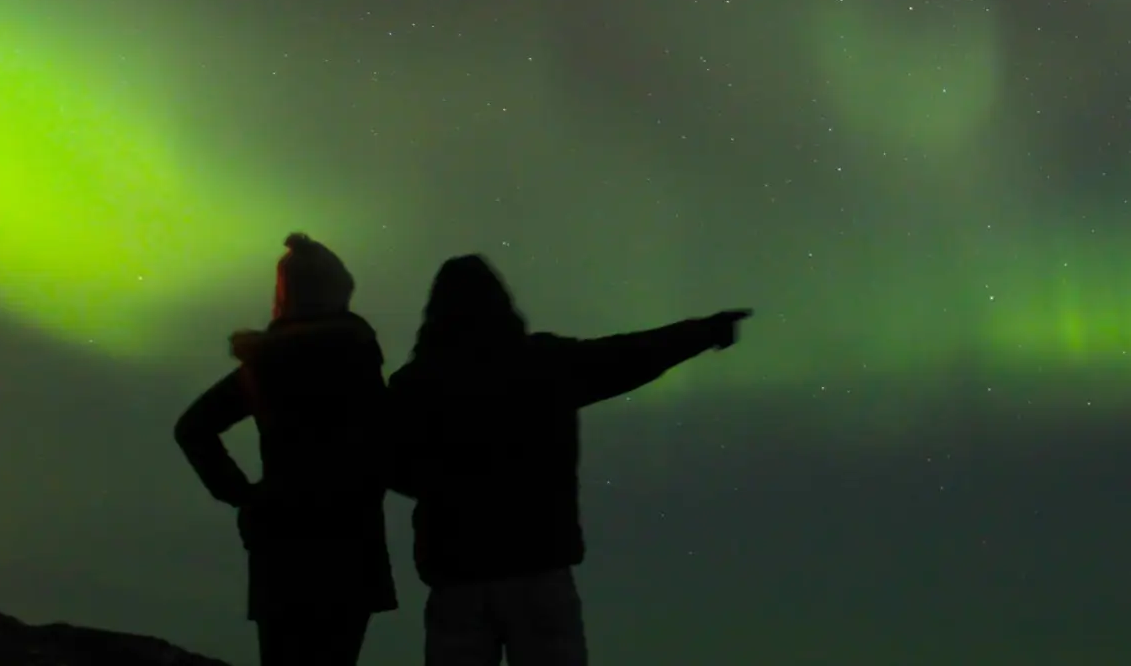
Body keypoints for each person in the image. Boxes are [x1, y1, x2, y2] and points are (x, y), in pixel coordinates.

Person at [389, 254, 750, 666]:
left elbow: (391, 466)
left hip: (457, 574)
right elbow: (631, 355)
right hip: (539, 566)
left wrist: (442, 489)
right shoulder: (545, 363)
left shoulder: (413, 386)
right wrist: (704, 332)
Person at [173, 233, 400, 666]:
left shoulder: (265, 363)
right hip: (351, 541)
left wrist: (244, 495)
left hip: (282, 542)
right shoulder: (358, 357)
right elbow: (388, 443)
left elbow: (193, 427)